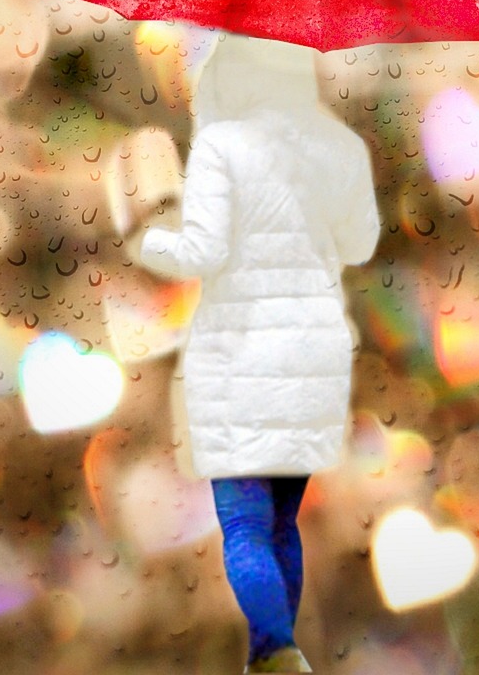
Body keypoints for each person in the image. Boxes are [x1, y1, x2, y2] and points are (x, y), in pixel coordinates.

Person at [138, 33, 380, 673]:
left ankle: (275, 649)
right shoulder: (338, 148)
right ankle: (276, 650)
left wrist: (150, 242)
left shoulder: (222, 147)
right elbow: (360, 242)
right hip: (312, 354)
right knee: (283, 520)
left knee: (245, 523)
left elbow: (200, 253)